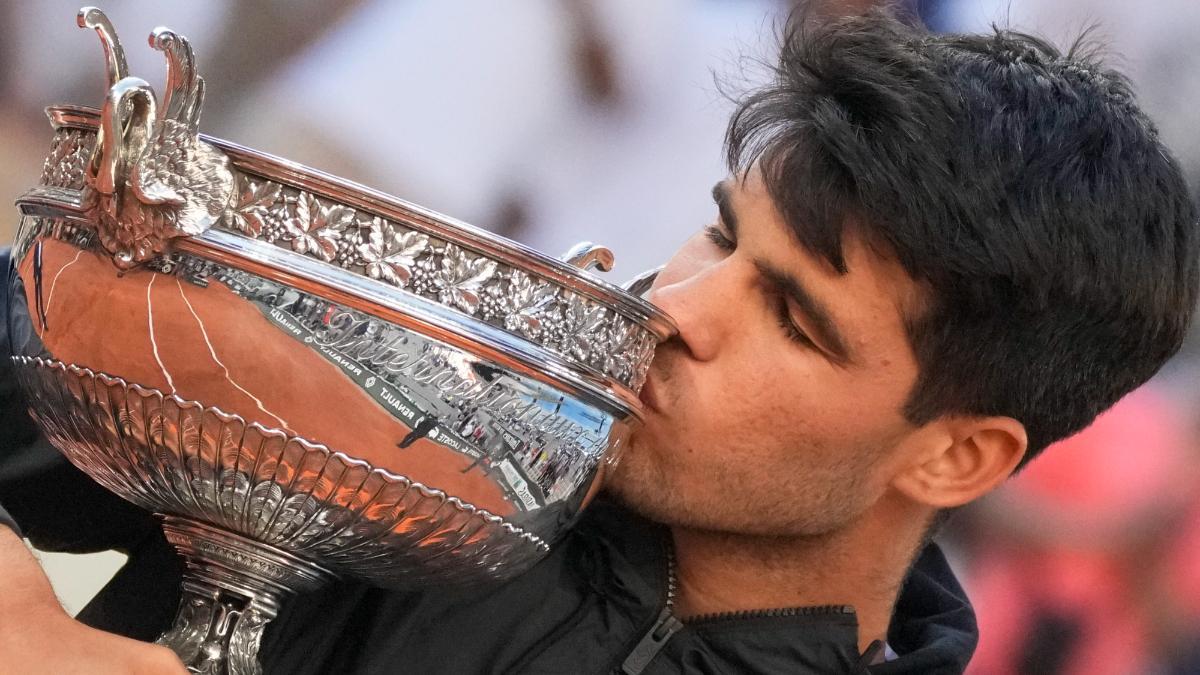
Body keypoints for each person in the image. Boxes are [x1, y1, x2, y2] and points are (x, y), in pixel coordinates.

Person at [2, 7, 1197, 673]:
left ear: (956, 458)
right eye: (720, 239)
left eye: (793, 320)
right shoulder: (435, 428)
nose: (677, 309)